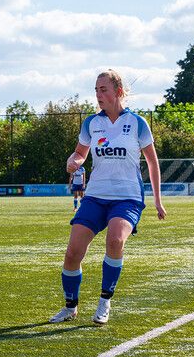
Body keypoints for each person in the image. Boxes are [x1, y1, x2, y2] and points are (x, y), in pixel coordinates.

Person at [50, 69, 166, 325]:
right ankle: (70, 307)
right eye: (96, 90)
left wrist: (157, 199)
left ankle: (105, 301)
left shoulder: (137, 123)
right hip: (96, 196)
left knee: (115, 240)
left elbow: (152, 162)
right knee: (73, 253)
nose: (98, 95)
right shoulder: (92, 123)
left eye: (103, 90)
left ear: (118, 92)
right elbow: (80, 153)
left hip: (127, 198)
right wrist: (74, 161)